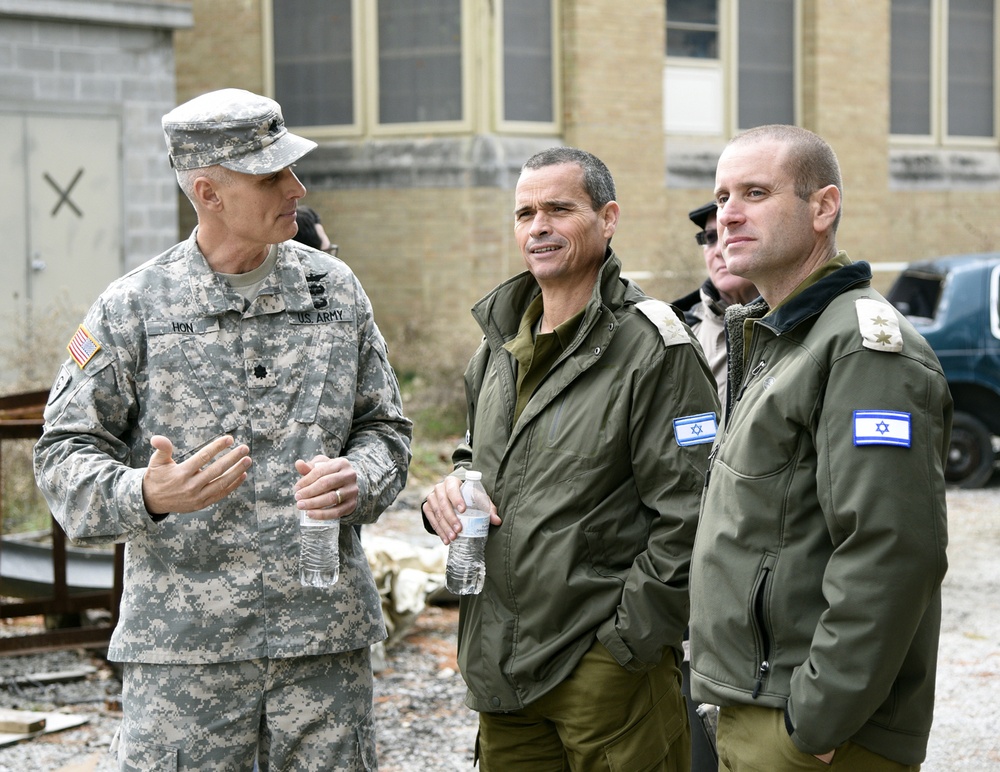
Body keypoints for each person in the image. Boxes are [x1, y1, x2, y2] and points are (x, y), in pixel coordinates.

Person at [32, 88, 412, 771]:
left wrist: (360, 478)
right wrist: (147, 494)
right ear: (209, 191)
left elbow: (386, 429)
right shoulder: (133, 309)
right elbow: (61, 457)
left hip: (321, 650)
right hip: (185, 658)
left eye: (291, 169)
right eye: (272, 177)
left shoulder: (336, 291)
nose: (297, 187)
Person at [421, 147, 720, 771]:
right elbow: (481, 456)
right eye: (525, 212)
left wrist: (623, 646)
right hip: (502, 674)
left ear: (607, 219)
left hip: (604, 678)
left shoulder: (654, 347)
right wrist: (448, 489)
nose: (539, 226)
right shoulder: (499, 348)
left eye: (560, 208)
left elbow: (691, 516)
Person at [689, 124, 951, 771]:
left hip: (814, 737)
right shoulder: (780, 340)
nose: (729, 214)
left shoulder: (860, 346)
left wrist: (819, 718)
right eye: (722, 197)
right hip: (757, 711)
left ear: (823, 207)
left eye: (754, 192)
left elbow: (892, 549)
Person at [672, 201, 758, 405]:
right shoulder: (677, 334)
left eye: (733, 232)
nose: (720, 250)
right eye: (710, 238)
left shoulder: (801, 321)